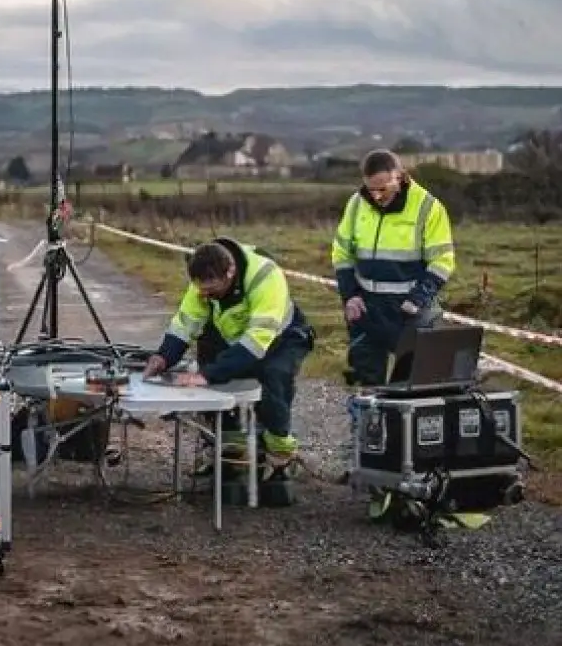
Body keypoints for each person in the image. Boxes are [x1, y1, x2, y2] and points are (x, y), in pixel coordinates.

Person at [143, 238, 315, 469]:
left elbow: (255, 343)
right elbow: (185, 325)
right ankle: (229, 445)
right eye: (202, 291)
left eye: (211, 292)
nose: (205, 296)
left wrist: (207, 375)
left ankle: (280, 453)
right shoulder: (203, 280)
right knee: (211, 367)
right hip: (232, 335)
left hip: (280, 337)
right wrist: (163, 357)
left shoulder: (265, 277)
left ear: (230, 272)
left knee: (274, 377)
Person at [330, 148, 456, 389]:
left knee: (413, 386)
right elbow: (341, 253)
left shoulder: (428, 207)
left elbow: (443, 260)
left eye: (382, 188)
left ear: (399, 177)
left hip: (410, 310)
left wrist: (418, 298)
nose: (376, 196)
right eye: (371, 189)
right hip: (366, 307)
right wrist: (350, 295)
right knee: (365, 385)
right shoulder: (356, 204)